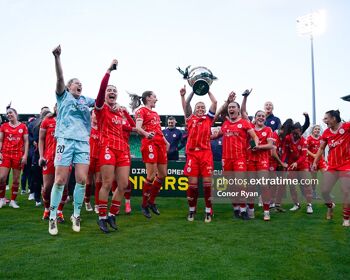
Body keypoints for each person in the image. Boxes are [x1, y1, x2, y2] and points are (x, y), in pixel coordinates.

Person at [48, 45, 95, 235]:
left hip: (83, 142)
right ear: (68, 87)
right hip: (65, 141)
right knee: (60, 180)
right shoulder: (63, 96)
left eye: (81, 83)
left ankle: (76, 214)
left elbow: (100, 101)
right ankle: (52, 217)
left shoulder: (86, 99)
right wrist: (57, 58)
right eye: (76, 83)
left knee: (82, 180)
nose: (79, 85)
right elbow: (59, 78)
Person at [95, 59, 131, 233]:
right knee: (107, 183)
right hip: (107, 148)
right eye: (110, 90)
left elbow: (133, 128)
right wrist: (109, 70)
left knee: (123, 185)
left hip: (122, 149)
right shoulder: (101, 109)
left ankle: (112, 214)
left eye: (114, 91)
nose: (111, 92)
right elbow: (101, 90)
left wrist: (125, 112)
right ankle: (101, 217)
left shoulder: (119, 112)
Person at [213, 91, 258, 220]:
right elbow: (217, 135)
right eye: (229, 107)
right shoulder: (226, 124)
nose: (231, 109)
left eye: (233, 107)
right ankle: (236, 209)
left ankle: (244, 210)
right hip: (226, 159)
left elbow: (254, 136)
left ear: (238, 110)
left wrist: (256, 145)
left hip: (240, 158)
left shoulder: (244, 123)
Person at [180, 86, 217, 222]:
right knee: (192, 185)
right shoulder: (190, 118)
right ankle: (191, 210)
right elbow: (186, 105)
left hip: (206, 154)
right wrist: (189, 93)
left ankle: (208, 210)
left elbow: (214, 102)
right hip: (192, 155)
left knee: (207, 185)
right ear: (195, 110)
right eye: (198, 107)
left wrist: (206, 90)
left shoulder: (208, 119)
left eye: (203, 107)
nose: (200, 109)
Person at [130, 90, 169, 219]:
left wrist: (165, 141)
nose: (156, 99)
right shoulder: (141, 111)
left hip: (160, 144)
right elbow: (138, 127)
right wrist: (147, 134)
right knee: (151, 175)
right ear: (148, 98)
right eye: (154, 97)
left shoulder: (156, 114)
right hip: (149, 143)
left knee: (163, 174)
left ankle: (151, 202)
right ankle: (144, 205)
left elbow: (158, 130)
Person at [312, 110, 350, 226]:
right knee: (324, 191)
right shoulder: (326, 133)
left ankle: (346, 218)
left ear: (333, 118)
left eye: (326, 118)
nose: (325, 121)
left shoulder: (347, 127)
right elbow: (321, 149)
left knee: (346, 191)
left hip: (346, 165)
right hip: (332, 166)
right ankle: (330, 205)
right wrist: (315, 162)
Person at [0, 106, 29, 208]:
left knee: (16, 179)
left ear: (16, 114)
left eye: (10, 113)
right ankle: (2, 199)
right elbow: (0, 140)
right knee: (1, 177)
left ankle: (13, 201)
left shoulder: (23, 127)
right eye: (7, 113)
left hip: (18, 155)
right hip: (6, 154)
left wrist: (25, 155)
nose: (9, 115)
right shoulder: (3, 126)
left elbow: (26, 141)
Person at [282, 122, 313, 214]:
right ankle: (296, 204)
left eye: (298, 133)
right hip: (291, 165)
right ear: (292, 132)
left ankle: (309, 205)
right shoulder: (288, 138)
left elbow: (304, 156)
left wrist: (297, 163)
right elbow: (285, 152)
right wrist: (284, 162)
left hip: (302, 165)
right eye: (294, 133)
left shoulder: (304, 140)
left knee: (306, 185)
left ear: (301, 132)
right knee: (292, 185)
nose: (296, 135)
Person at [85, 110, 101, 213]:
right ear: (91, 116)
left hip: (99, 158)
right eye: (95, 114)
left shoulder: (102, 129)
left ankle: (97, 205)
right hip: (88, 157)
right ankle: (87, 201)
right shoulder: (86, 128)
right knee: (88, 181)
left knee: (98, 181)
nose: (96, 116)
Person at [307, 124, 327, 199]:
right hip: (312, 161)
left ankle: (326, 192)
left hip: (321, 160)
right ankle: (314, 193)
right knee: (314, 179)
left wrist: (323, 157)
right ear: (312, 130)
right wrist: (313, 155)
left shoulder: (321, 138)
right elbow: (306, 149)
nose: (317, 130)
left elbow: (322, 149)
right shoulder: (309, 139)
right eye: (316, 129)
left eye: (318, 129)